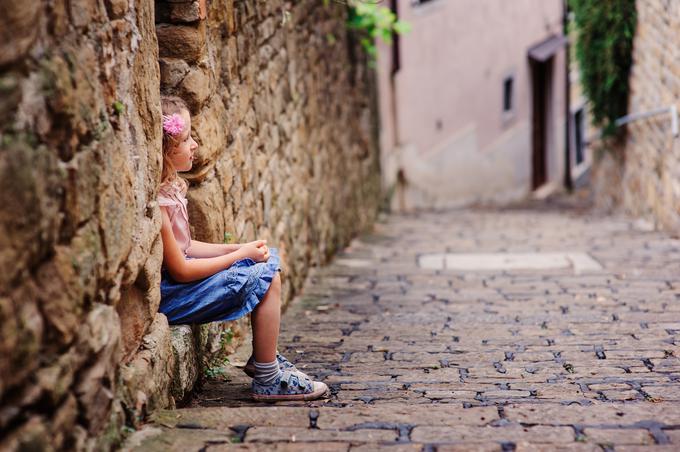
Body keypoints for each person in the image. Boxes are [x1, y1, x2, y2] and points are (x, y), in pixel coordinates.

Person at [157, 95, 327, 401]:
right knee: (265, 275)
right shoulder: (159, 204)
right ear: (165, 152)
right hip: (173, 296)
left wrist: (237, 248)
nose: (194, 144)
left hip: (179, 289)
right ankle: (268, 378)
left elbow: (187, 246)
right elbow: (180, 270)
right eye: (185, 140)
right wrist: (239, 256)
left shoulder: (171, 189)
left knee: (265, 262)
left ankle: (264, 359)